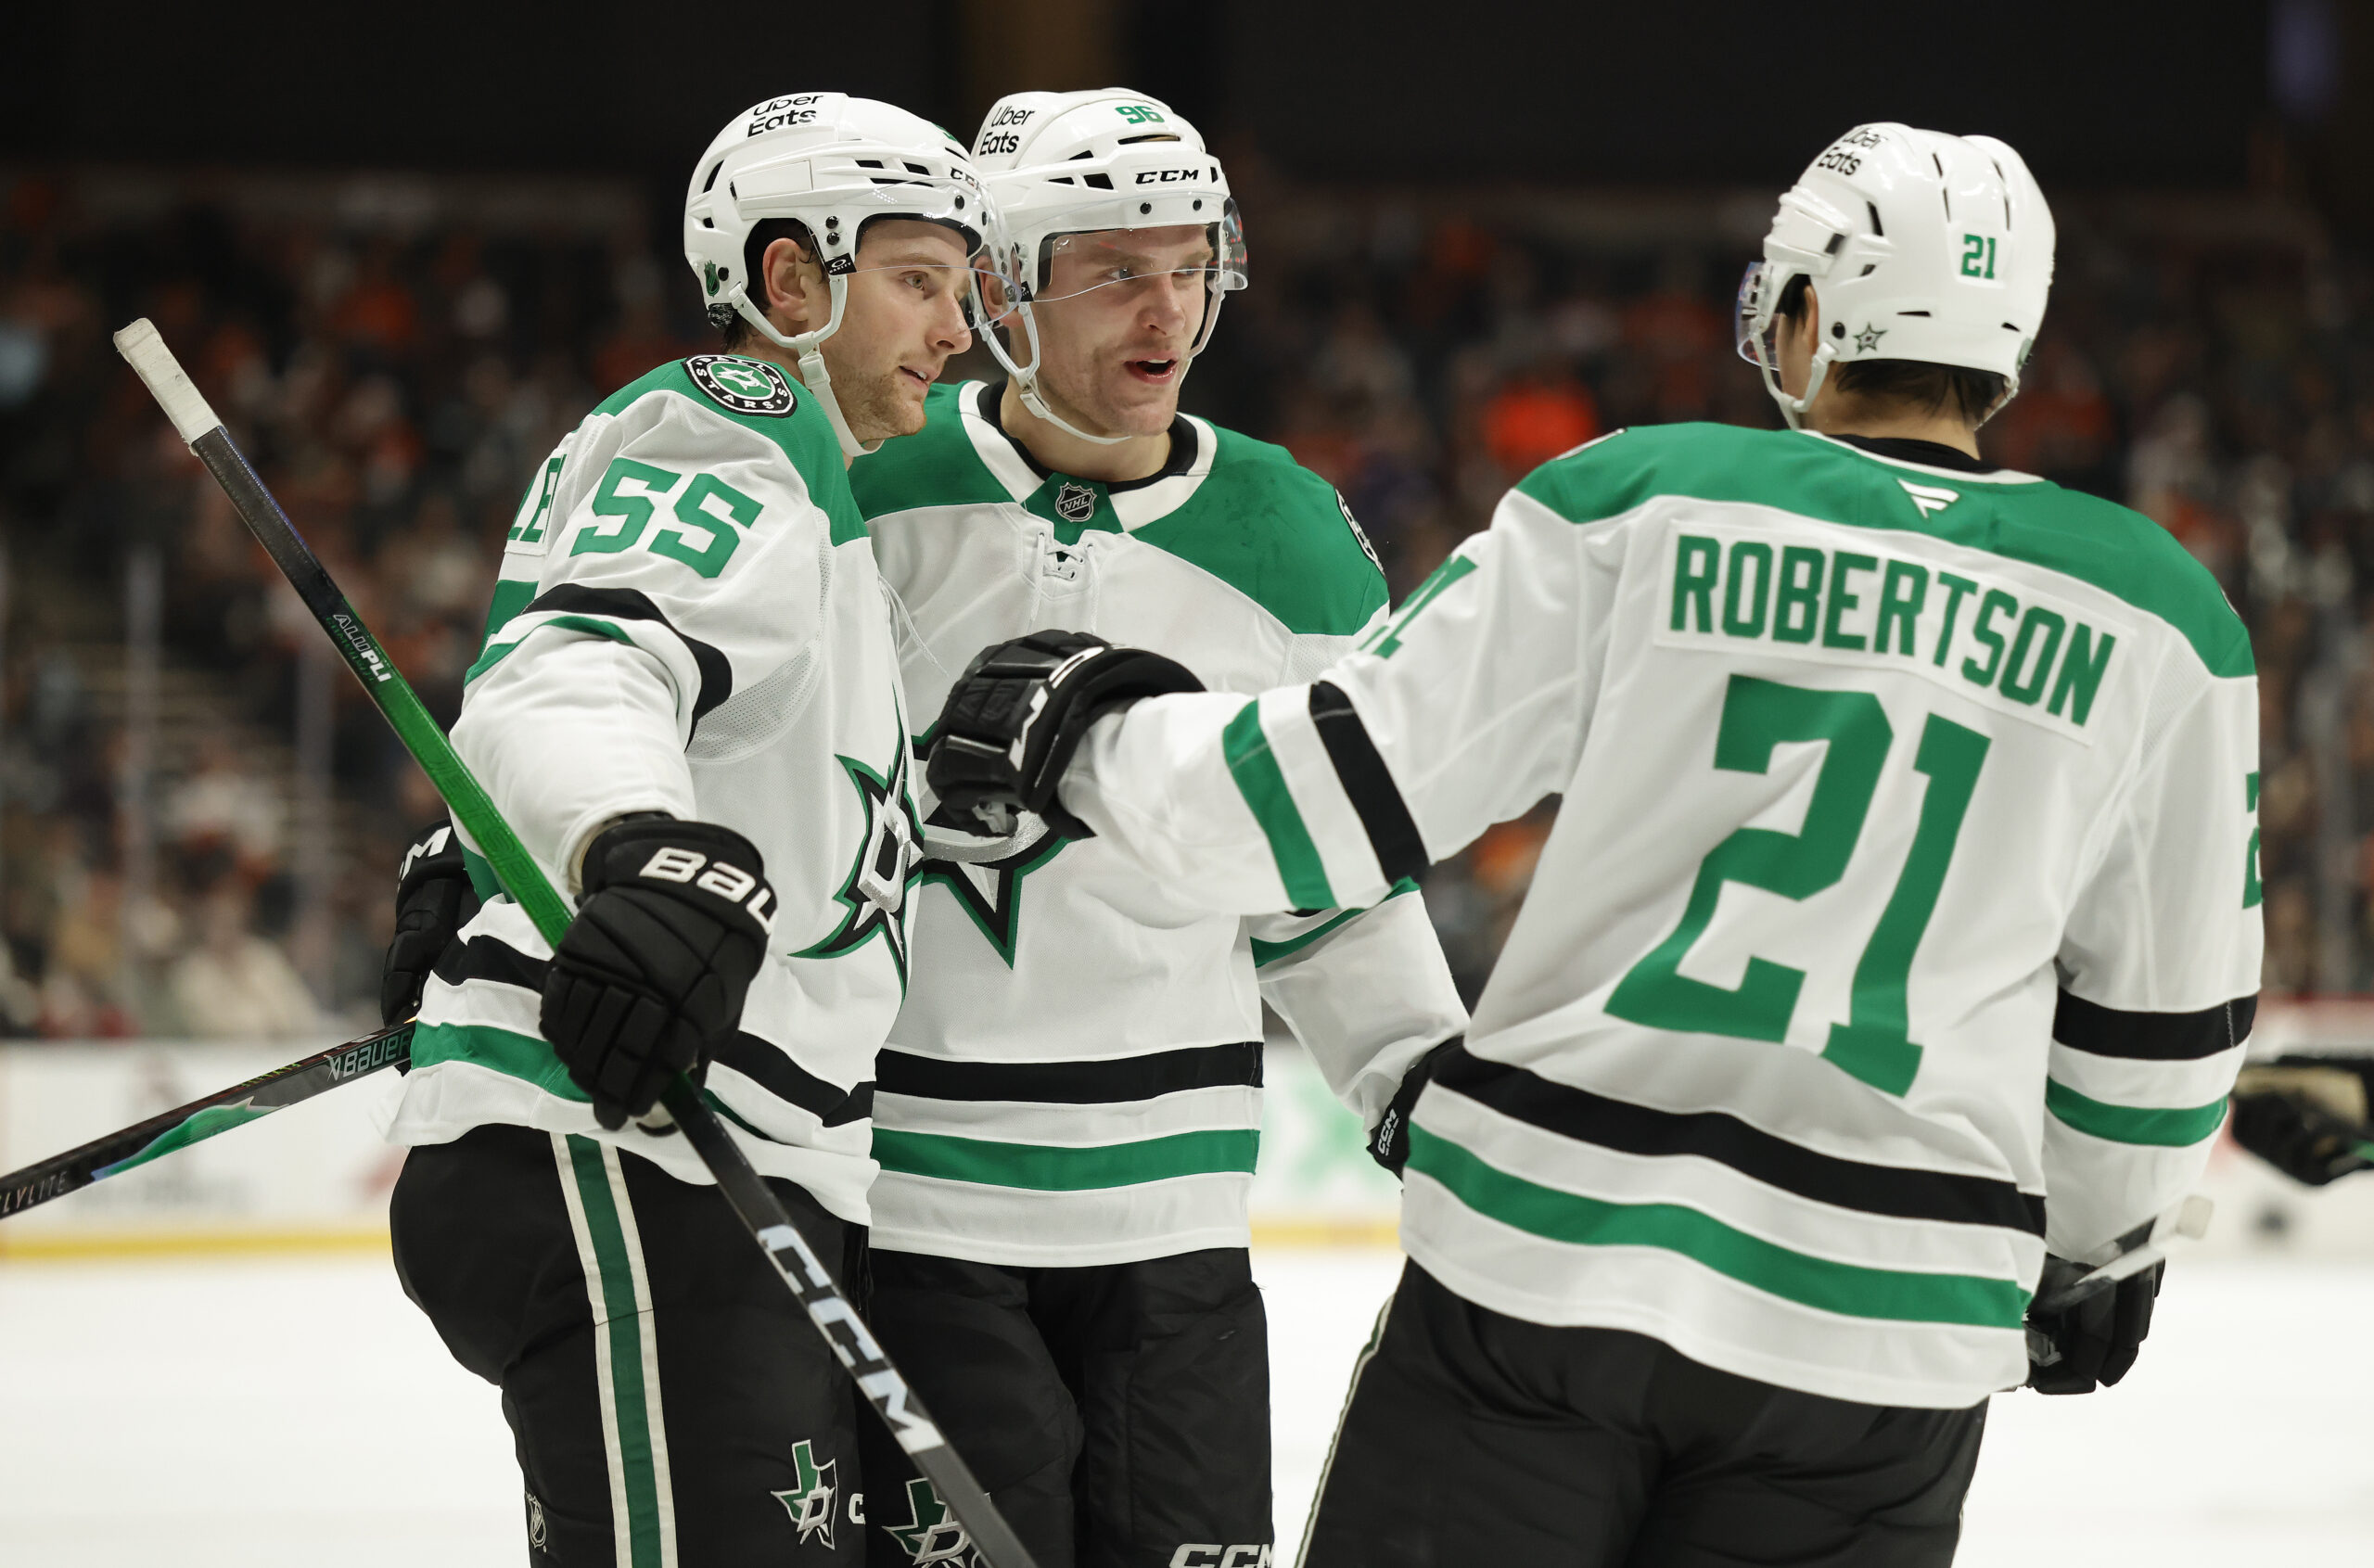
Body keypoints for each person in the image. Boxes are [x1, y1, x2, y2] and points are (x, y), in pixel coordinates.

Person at [924, 123, 2263, 1567]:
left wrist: (1090, 733)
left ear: (1805, 308)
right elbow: (2162, 1038)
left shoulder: (1639, 500)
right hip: (1886, 1336)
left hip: (1549, 1269)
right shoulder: (2167, 616)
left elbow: (1312, 802)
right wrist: (2103, 1245)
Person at [377, 94, 1002, 1565]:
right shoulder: (744, 421)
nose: (955, 329)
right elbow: (582, 665)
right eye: (919, 280)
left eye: (963, 292)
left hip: (714, 1171)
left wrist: (462, 871)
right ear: (791, 282)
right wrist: (627, 849)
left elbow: (637, 706)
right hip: (638, 1152)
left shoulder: (815, 493)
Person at [848, 90, 1466, 1568]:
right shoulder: (872, 485)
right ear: (1002, 282)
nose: (1168, 306)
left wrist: (1416, 1077)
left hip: (1175, 1226)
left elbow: (1327, 878)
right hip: (913, 1205)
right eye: (1116, 266)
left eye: (1190, 264)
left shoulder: (1292, 535)